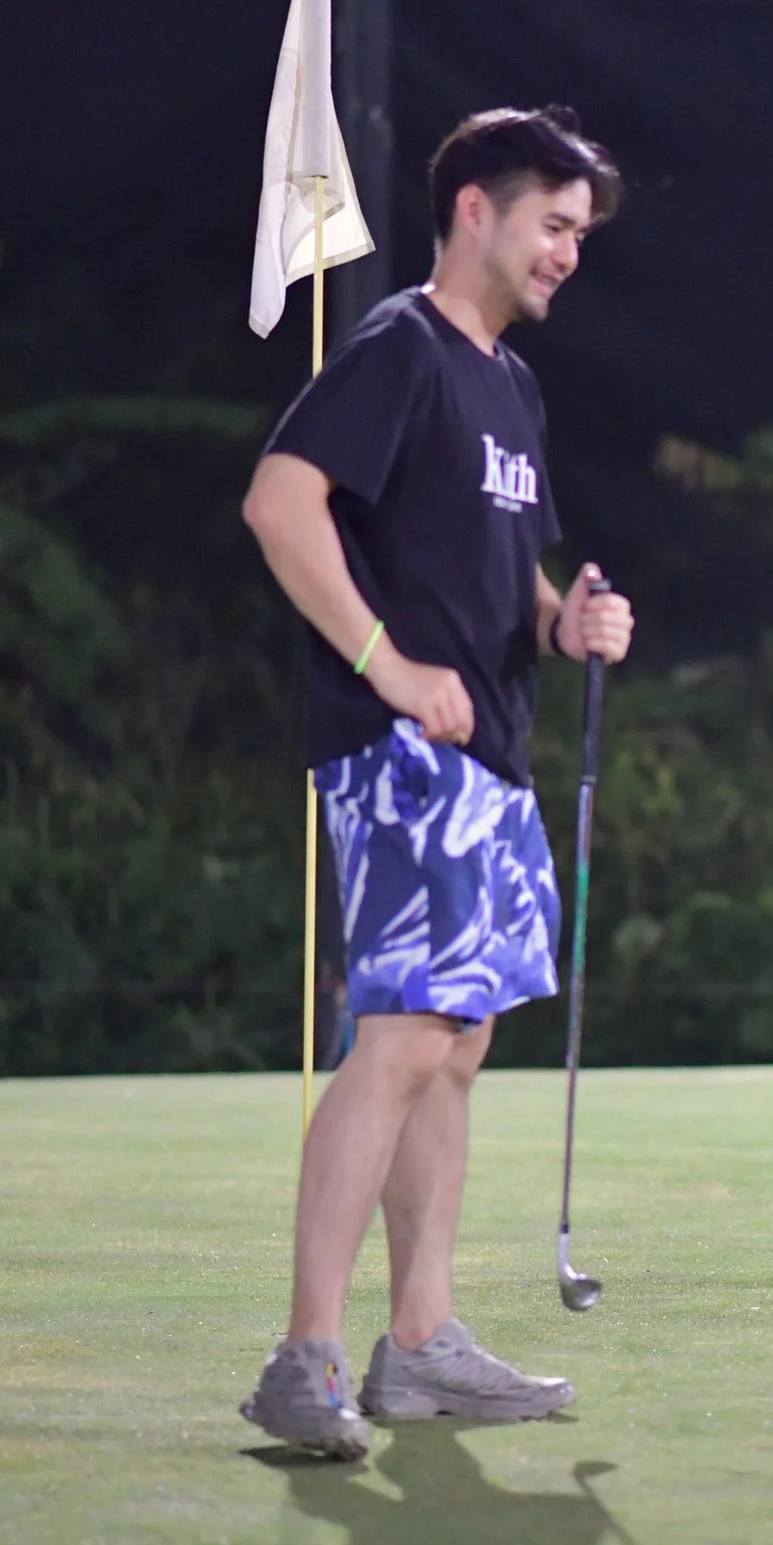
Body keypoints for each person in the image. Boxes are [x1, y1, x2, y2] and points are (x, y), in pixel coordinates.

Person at [235, 106, 635, 1460]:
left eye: (581, 234)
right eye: (554, 225)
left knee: (456, 1046)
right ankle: (306, 1354)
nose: (570, 254)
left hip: (493, 761)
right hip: (401, 753)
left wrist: (560, 620)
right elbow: (281, 501)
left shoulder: (510, 383)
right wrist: (385, 663)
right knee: (405, 1035)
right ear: (475, 207)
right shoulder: (396, 347)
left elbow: (501, 577)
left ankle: (419, 1344)